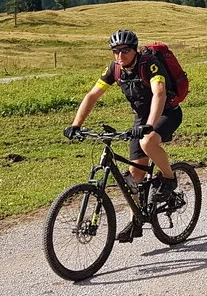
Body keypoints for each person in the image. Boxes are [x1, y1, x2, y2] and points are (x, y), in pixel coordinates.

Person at [65, 29, 183, 242]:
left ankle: (169, 178)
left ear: (134, 50)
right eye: (115, 51)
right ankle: (135, 220)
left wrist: (149, 125)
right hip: (142, 119)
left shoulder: (149, 64)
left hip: (167, 112)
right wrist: (76, 124)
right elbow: (92, 95)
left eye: (125, 51)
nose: (120, 55)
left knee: (148, 142)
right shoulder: (115, 69)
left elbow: (159, 93)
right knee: (134, 177)